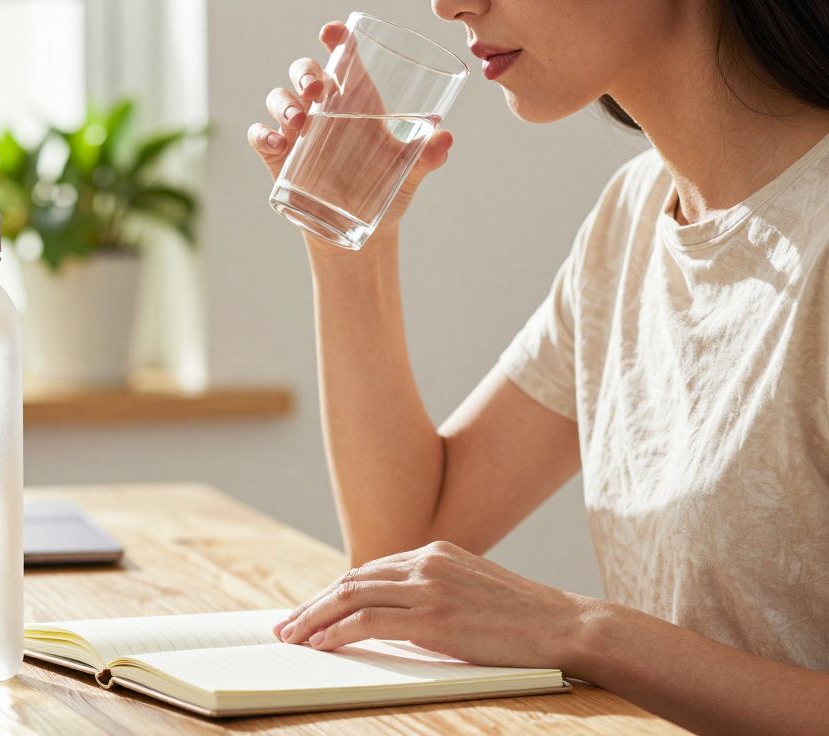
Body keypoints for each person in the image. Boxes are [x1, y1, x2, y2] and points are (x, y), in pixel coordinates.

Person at [247, 2, 829, 733]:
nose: (450, 3)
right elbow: (400, 544)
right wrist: (347, 245)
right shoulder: (633, 214)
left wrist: (578, 631)